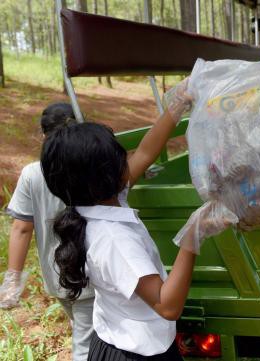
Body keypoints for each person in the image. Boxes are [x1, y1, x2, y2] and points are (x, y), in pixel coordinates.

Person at [40, 79, 236, 360]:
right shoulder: (114, 240)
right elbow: (167, 305)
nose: (127, 163)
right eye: (118, 160)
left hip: (121, 342)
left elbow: (145, 151)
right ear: (102, 178)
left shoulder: (97, 201)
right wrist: (193, 236)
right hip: (136, 354)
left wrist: (178, 105)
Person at [0, 103, 95, 361]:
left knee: (83, 333)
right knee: (86, 346)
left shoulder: (32, 173)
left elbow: (21, 228)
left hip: (57, 277)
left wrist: (13, 278)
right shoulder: (92, 167)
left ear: (43, 135)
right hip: (92, 278)